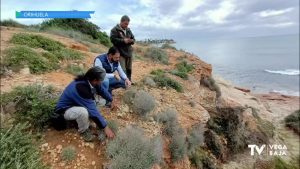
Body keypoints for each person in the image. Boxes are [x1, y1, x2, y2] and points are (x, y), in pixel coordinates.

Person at [54, 67, 115, 142]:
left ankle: (81, 122)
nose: (101, 82)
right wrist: (106, 127)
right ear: (95, 80)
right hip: (65, 110)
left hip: (75, 105)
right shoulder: (81, 88)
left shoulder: (89, 80)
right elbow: (93, 110)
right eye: (101, 81)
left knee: (99, 102)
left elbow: (102, 90)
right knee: (83, 112)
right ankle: (84, 131)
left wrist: (111, 99)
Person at [110, 15, 135, 81]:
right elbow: (113, 40)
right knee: (122, 68)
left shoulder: (128, 30)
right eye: (125, 24)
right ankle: (124, 82)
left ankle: (129, 80)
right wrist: (123, 41)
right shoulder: (114, 29)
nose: (127, 25)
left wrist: (131, 41)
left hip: (129, 52)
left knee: (129, 68)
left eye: (128, 24)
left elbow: (133, 39)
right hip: (120, 52)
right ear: (121, 22)